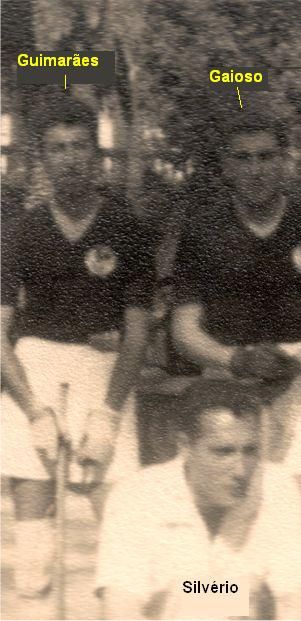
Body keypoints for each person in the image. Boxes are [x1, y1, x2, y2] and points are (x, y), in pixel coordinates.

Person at [1, 95, 152, 597]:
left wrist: (109, 415)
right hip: (34, 370)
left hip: (103, 373)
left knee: (123, 534)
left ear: (97, 155)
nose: (69, 158)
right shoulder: (18, 232)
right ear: (42, 158)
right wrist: (33, 411)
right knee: (31, 564)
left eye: (79, 146)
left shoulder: (129, 230)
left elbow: (137, 332)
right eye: (57, 148)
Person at [171, 112, 301, 521]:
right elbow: (183, 329)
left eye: (266, 157)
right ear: (227, 166)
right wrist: (234, 360)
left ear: (284, 160)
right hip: (226, 378)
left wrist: (296, 364)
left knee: (296, 525)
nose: (256, 170)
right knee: (225, 524)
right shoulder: (202, 231)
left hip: (299, 381)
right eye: (243, 158)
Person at [96, 380, 301, 619]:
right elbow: (120, 609)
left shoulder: (277, 487)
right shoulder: (137, 495)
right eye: (223, 452)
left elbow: (296, 600)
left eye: (250, 450)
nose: (241, 470)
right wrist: (239, 596)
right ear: (185, 446)